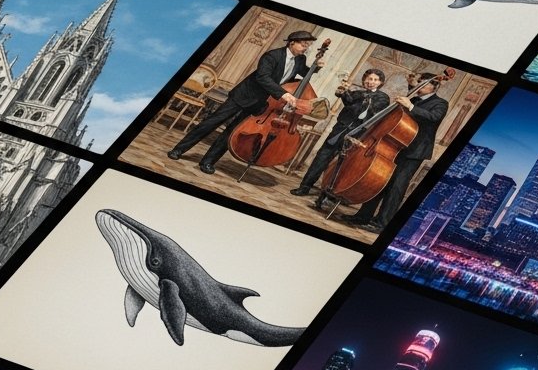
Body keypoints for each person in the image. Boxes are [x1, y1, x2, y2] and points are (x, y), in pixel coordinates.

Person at [167, 31, 321, 175]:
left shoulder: (300, 59)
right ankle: (179, 150)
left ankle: (208, 161)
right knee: (211, 122)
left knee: (233, 131)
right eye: (303, 45)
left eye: (307, 46)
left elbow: (304, 73)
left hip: (262, 103)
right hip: (244, 95)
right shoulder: (272, 56)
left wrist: (316, 68)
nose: (305, 49)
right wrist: (284, 94)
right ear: (291, 43)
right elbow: (262, 77)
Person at [341, 71, 449, 232]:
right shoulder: (413, 98)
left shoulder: (440, 103)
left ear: (435, 87)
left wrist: (410, 106)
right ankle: (363, 216)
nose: (420, 86)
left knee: (396, 186)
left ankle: (381, 223)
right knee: (380, 180)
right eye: (420, 82)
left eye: (424, 84)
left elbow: (433, 117)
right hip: (395, 144)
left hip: (414, 152)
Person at [290, 68, 389, 198]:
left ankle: (329, 194)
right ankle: (304, 187)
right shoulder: (357, 93)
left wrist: (351, 94)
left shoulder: (383, 97)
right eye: (369, 79)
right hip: (339, 131)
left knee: (342, 166)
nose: (371, 82)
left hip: (357, 135)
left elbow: (372, 111)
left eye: (375, 80)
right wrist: (343, 91)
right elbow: (347, 101)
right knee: (321, 158)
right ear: (364, 80)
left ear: (380, 82)